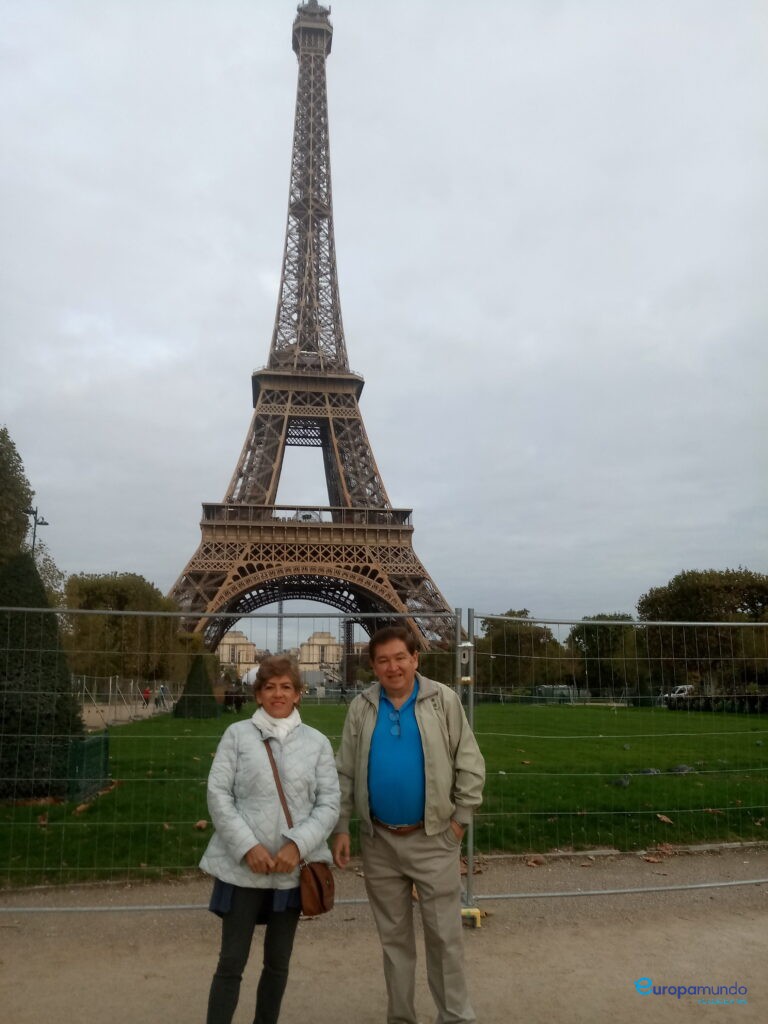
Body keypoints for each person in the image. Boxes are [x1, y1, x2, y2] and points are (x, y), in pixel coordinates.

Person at [332, 625, 485, 1024]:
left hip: (434, 839)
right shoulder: (362, 707)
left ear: (416, 658)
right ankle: (400, 1018)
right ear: (373, 667)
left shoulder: (443, 700)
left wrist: (459, 823)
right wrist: (342, 828)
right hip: (380, 841)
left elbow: (469, 761)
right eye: (383, 660)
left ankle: (454, 1016)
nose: (393, 667)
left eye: (400, 657)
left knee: (445, 940)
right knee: (394, 943)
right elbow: (344, 772)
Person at [201, 655, 340, 1024]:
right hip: (243, 866)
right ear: (258, 695)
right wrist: (247, 846)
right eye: (269, 687)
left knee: (277, 963)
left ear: (298, 694)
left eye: (286, 687)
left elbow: (329, 803)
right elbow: (218, 794)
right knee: (231, 962)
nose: (278, 694)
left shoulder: (318, 743)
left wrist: (298, 845)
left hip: (291, 869)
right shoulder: (236, 736)